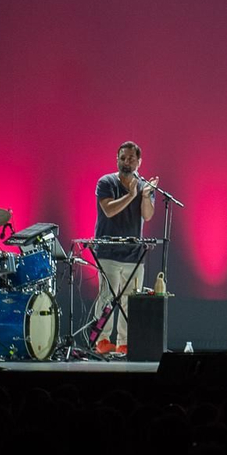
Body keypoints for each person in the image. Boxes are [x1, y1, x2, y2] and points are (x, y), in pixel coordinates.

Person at [92, 141, 157, 355]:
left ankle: (124, 342)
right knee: (106, 298)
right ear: (117, 160)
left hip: (133, 253)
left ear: (139, 162)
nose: (126, 162)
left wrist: (145, 196)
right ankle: (102, 340)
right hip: (108, 251)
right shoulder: (106, 182)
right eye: (122, 158)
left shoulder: (144, 185)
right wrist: (130, 195)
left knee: (130, 300)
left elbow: (147, 215)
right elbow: (109, 210)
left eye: (131, 158)